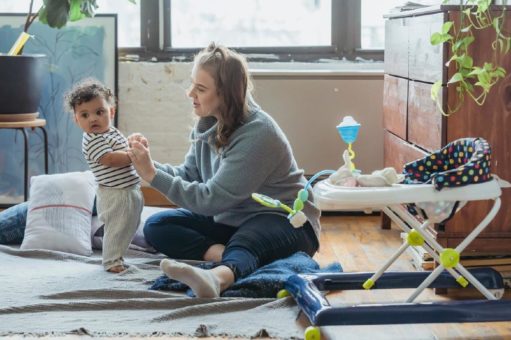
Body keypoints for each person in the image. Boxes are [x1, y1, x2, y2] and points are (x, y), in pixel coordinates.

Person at [127, 42, 320, 298]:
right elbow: (190, 176)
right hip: (232, 218)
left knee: (249, 238)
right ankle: (235, 257)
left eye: (201, 88)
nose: (190, 93)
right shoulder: (208, 123)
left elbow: (210, 200)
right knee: (158, 225)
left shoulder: (259, 134)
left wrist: (151, 175)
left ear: (226, 95)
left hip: (285, 220)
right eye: (192, 84)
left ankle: (217, 278)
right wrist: (145, 164)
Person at [65, 78, 144, 273]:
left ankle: (118, 255)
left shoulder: (110, 133)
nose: (93, 119)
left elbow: (122, 147)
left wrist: (134, 143)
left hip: (129, 190)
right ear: (77, 119)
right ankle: (111, 261)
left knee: (128, 225)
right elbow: (110, 159)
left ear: (111, 112)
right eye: (85, 115)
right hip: (115, 194)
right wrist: (134, 155)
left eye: (99, 112)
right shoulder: (92, 140)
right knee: (118, 227)